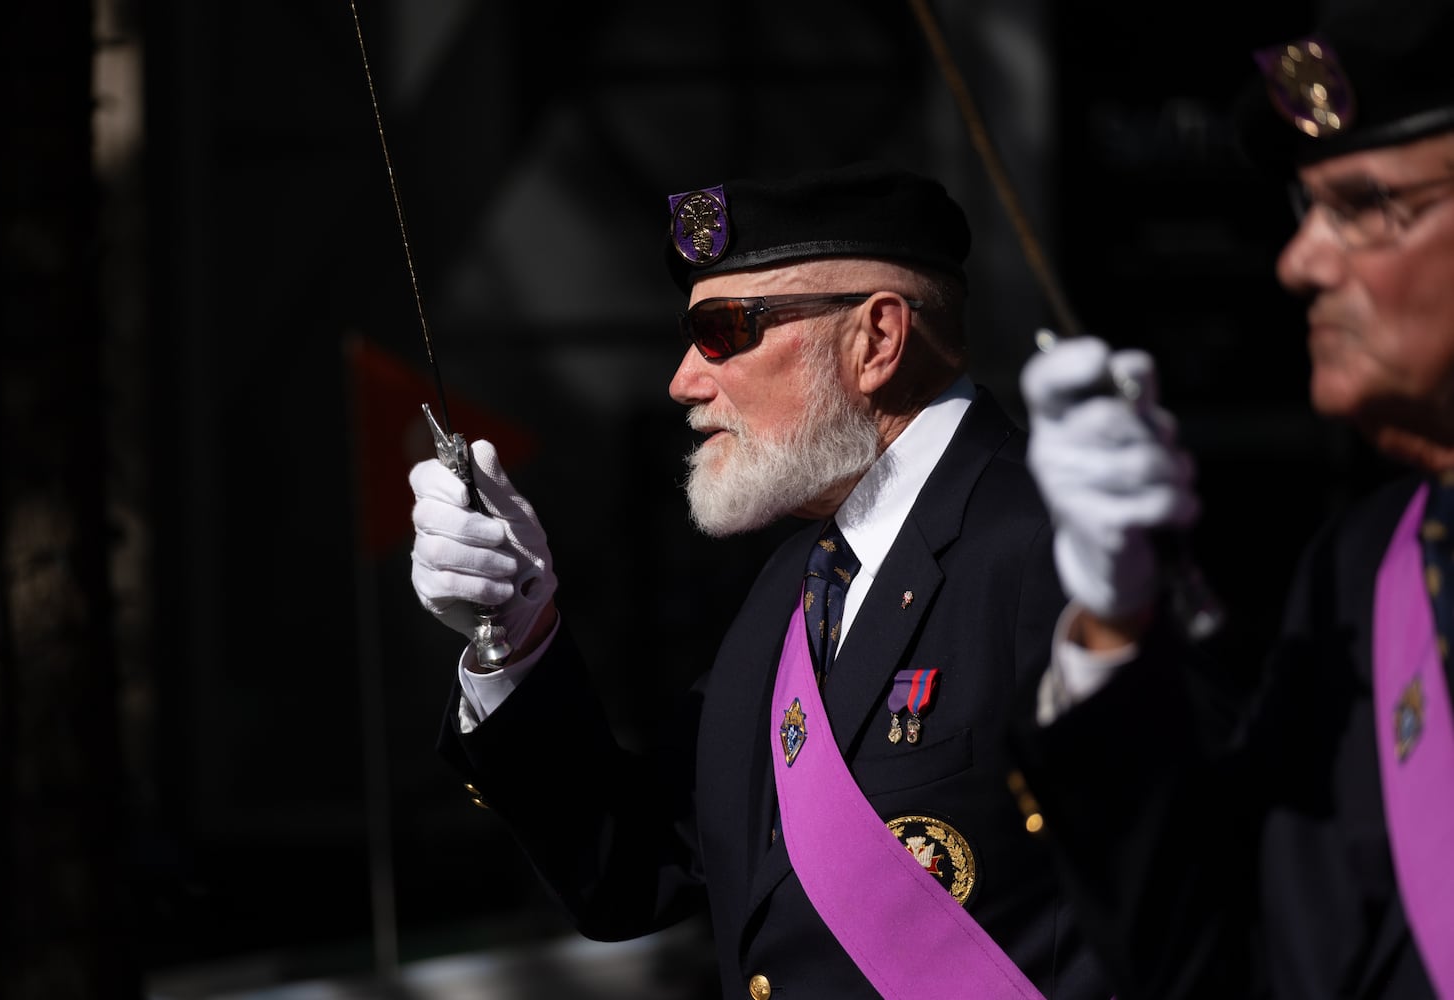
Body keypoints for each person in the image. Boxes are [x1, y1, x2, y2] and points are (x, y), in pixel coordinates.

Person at [408, 161, 1111, 998]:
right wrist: (515, 638)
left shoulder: (1061, 543)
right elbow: (639, 867)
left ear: (876, 341)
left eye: (724, 332)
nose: (683, 381)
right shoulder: (797, 583)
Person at [1011, 3, 1454, 998]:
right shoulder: (1365, 570)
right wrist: (1117, 627)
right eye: (1307, 212)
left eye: (1367, 204)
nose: (1300, 263)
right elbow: (1217, 960)